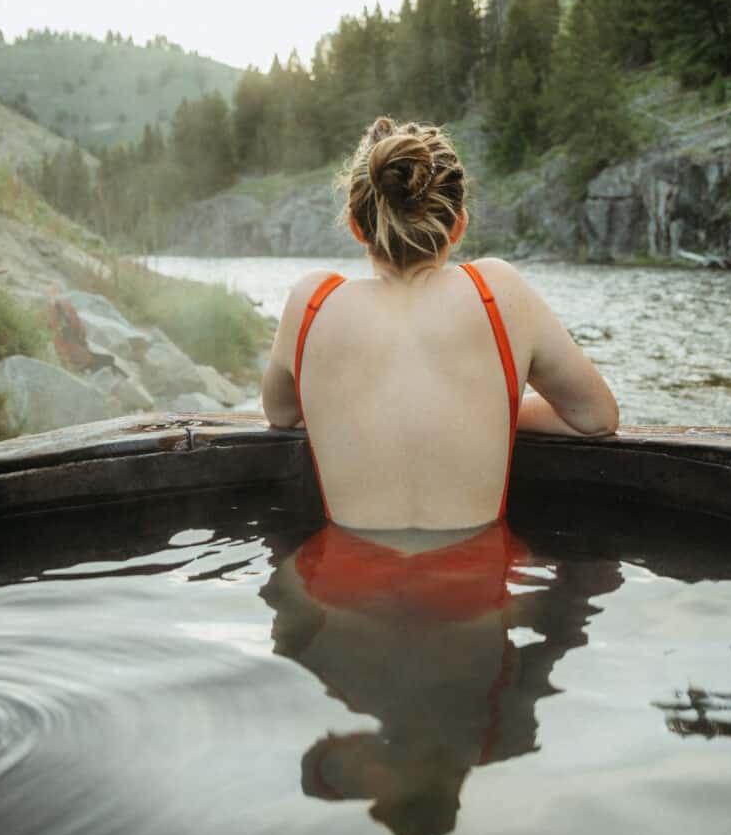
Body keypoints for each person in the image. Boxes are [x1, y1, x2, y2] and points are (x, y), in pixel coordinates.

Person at [261, 116, 619, 531]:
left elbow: (281, 414)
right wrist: (490, 407)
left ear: (358, 228)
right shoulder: (498, 290)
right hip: (474, 587)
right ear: (459, 225)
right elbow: (596, 418)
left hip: (344, 584)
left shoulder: (312, 303)